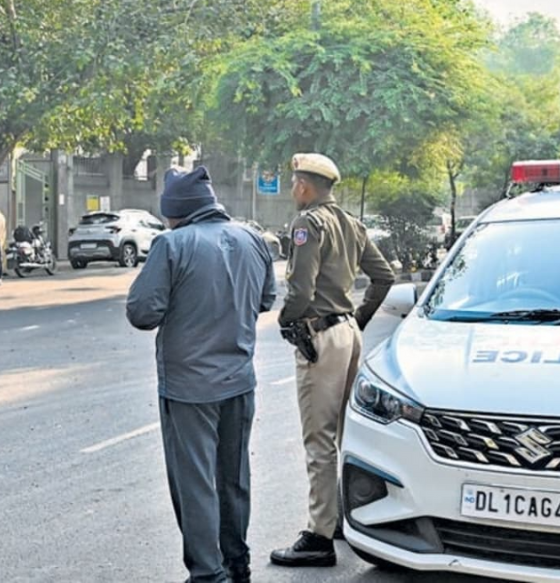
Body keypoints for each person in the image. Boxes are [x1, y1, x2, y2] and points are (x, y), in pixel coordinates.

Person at [127, 167, 277, 583]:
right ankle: (237, 563)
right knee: (233, 479)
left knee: (195, 484)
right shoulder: (253, 239)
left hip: (190, 388)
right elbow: (266, 299)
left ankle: (208, 574)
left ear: (175, 212)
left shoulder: (171, 245)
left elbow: (142, 312)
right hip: (239, 381)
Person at [270, 153, 395, 568]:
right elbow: (384, 277)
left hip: (321, 336)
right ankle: (339, 518)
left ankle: (319, 535)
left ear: (304, 186)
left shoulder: (308, 223)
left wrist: (286, 320)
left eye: (294, 184)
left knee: (318, 438)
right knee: (343, 433)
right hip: (348, 333)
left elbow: (301, 292)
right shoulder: (352, 224)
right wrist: (356, 319)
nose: (293, 191)